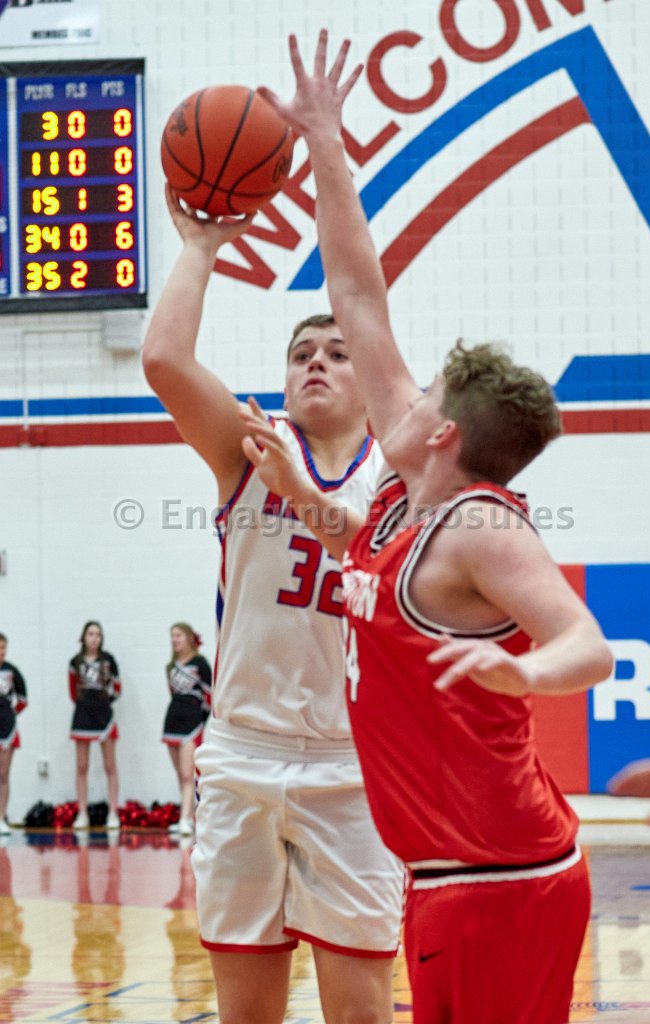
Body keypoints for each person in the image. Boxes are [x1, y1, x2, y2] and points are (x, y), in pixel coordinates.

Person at [243, 31, 615, 1024]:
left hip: (506, 878)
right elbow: (356, 290)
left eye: (422, 394)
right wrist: (324, 142)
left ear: (441, 431)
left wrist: (524, 673)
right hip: (446, 873)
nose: (394, 391)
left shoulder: (479, 527)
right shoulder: (398, 496)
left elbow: (586, 644)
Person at [142, 157, 404, 1023]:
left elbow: (365, 548)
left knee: (359, 1010)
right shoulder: (247, 448)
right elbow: (164, 359)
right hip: (242, 755)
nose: (316, 362)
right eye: (300, 354)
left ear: (369, 381)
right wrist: (201, 247)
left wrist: (303, 489)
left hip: (351, 765)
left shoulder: (399, 474)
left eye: (336, 352)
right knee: (245, 1011)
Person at [69, 621, 121, 830]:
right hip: (82, 715)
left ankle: (113, 813)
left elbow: (118, 688)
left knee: (110, 766)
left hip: (104, 716)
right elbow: (72, 691)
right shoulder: (75, 662)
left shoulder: (109, 660)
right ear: (83, 637)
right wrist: (86, 703)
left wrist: (103, 702)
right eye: (90, 634)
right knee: (82, 766)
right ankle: (82, 813)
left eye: (98, 634)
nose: (94, 638)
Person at [162, 623, 212, 836]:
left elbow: (209, 696)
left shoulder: (201, 664)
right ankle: (188, 816)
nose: (175, 639)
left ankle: (185, 819)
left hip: (192, 722)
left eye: (179, 635)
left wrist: (201, 720)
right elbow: (173, 694)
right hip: (172, 721)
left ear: (190, 638)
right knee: (179, 774)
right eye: (172, 636)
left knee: (187, 774)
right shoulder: (170, 666)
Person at [0, 633, 28, 834]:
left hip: (7, 728)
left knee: (3, 774)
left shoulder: (12, 671)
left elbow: (23, 700)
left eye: (3, 647)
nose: (1, 651)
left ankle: (1, 817)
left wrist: (11, 713)